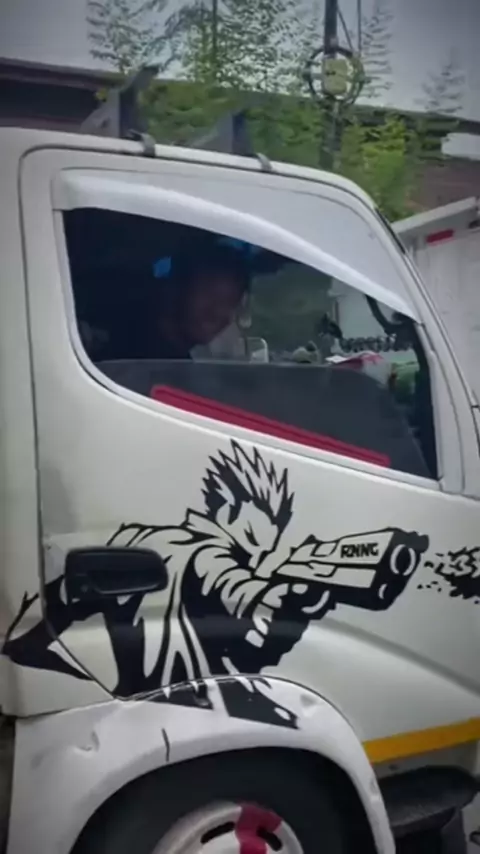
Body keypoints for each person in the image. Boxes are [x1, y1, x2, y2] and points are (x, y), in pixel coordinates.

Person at [124, 244, 251, 361]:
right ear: (175, 288)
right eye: (208, 293)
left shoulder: (179, 362)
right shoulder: (133, 355)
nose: (217, 312)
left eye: (230, 302)